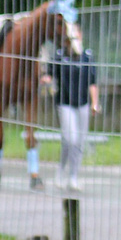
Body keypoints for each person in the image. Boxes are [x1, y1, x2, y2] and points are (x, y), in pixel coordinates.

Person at [40, 24, 100, 192]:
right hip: (65, 103)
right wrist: (46, 79)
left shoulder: (87, 57)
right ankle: (61, 169)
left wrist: (95, 103)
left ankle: (73, 176)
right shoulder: (59, 56)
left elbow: (93, 82)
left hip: (83, 103)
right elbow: (50, 74)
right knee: (70, 139)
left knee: (79, 141)